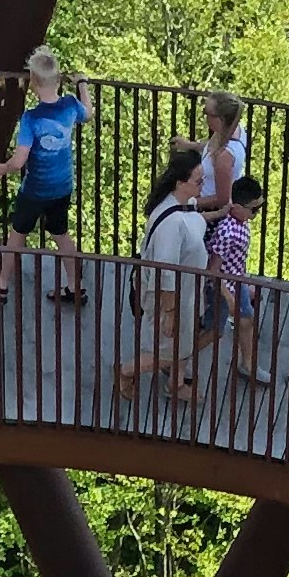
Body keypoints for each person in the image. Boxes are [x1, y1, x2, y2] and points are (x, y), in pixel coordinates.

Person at [0, 51, 87, 304]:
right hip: (63, 185)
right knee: (61, 234)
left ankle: (1, 284)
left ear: (32, 81)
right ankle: (75, 287)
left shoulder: (31, 119)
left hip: (35, 189)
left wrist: (2, 168)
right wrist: (83, 85)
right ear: (58, 79)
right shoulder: (70, 105)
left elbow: (20, 160)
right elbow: (88, 113)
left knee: (17, 234)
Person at [115, 151, 212, 405]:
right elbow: (165, 270)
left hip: (188, 292)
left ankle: (175, 384)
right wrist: (170, 312)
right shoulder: (171, 224)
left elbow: (195, 220)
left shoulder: (184, 204)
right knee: (169, 352)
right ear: (181, 183)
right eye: (199, 181)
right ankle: (126, 371)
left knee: (183, 344)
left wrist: (220, 212)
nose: (203, 184)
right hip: (173, 299)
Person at [190, 173, 266, 390]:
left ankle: (248, 365)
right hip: (223, 287)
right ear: (239, 207)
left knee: (246, 320)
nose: (256, 214)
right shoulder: (228, 231)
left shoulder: (239, 223)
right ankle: (177, 358)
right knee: (214, 331)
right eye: (254, 209)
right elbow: (213, 270)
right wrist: (228, 296)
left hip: (236, 280)